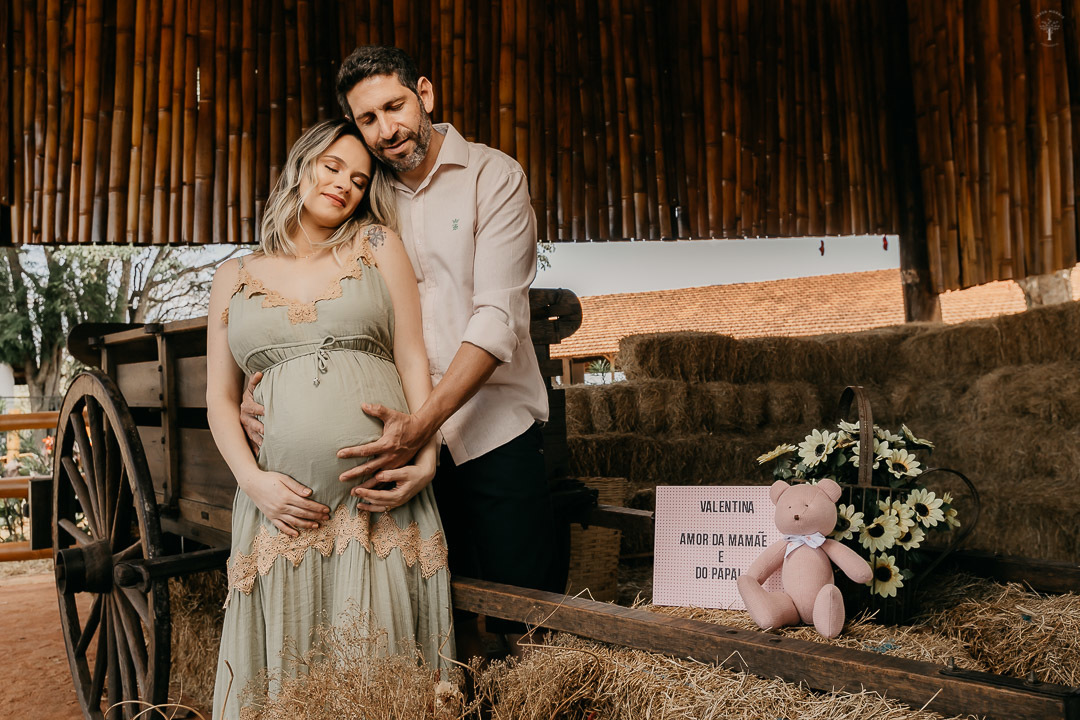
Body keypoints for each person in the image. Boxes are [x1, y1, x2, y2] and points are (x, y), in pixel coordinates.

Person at [240, 46, 563, 660]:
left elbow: (497, 320)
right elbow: (302, 288)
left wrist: (425, 428)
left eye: (395, 107)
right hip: (386, 439)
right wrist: (259, 385)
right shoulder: (358, 194)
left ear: (426, 94)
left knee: (527, 625)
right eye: (368, 119)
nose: (386, 130)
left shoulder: (493, 177)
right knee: (427, 624)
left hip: (489, 430)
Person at [206, 118, 453, 717]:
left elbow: (413, 355)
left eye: (360, 179)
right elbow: (220, 398)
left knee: (382, 676)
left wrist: (427, 456)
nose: (345, 184)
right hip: (280, 512)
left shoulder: (376, 247)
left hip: (376, 500)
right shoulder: (234, 276)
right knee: (288, 680)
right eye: (333, 166)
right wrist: (253, 481)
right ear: (303, 164)